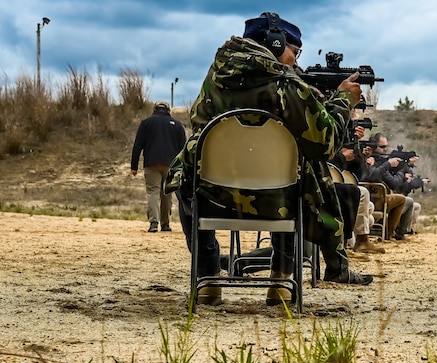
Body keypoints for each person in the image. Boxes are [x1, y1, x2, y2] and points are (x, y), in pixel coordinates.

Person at [167, 11, 373, 306]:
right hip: (277, 202)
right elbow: (324, 146)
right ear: (275, 44)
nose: (297, 61)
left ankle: (208, 277)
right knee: (300, 174)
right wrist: (342, 102)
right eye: (295, 51)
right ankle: (280, 280)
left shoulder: (215, 78)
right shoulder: (287, 87)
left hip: (213, 197)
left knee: (186, 169)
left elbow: (198, 119)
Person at [130, 100, 186, 233]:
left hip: (152, 163)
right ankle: (165, 224)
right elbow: (183, 149)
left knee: (152, 192)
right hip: (171, 165)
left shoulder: (146, 123)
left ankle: (153, 223)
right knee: (167, 194)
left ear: (154, 109)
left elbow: (138, 145)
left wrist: (134, 166)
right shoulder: (177, 125)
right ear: (168, 110)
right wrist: (183, 168)